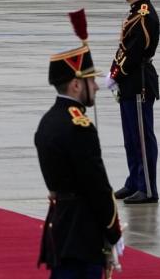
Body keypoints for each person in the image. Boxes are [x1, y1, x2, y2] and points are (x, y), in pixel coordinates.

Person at [35, 14, 124, 278]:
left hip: (61, 230)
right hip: (84, 234)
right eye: (90, 80)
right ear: (75, 84)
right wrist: (113, 231)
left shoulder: (48, 122)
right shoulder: (79, 126)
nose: (96, 86)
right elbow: (96, 184)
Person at [102, 0, 160, 205]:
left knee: (141, 138)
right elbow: (125, 47)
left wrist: (116, 72)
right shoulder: (137, 12)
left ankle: (147, 188)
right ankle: (134, 180)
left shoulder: (143, 16)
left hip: (138, 82)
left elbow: (134, 51)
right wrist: (115, 73)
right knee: (130, 136)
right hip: (130, 81)